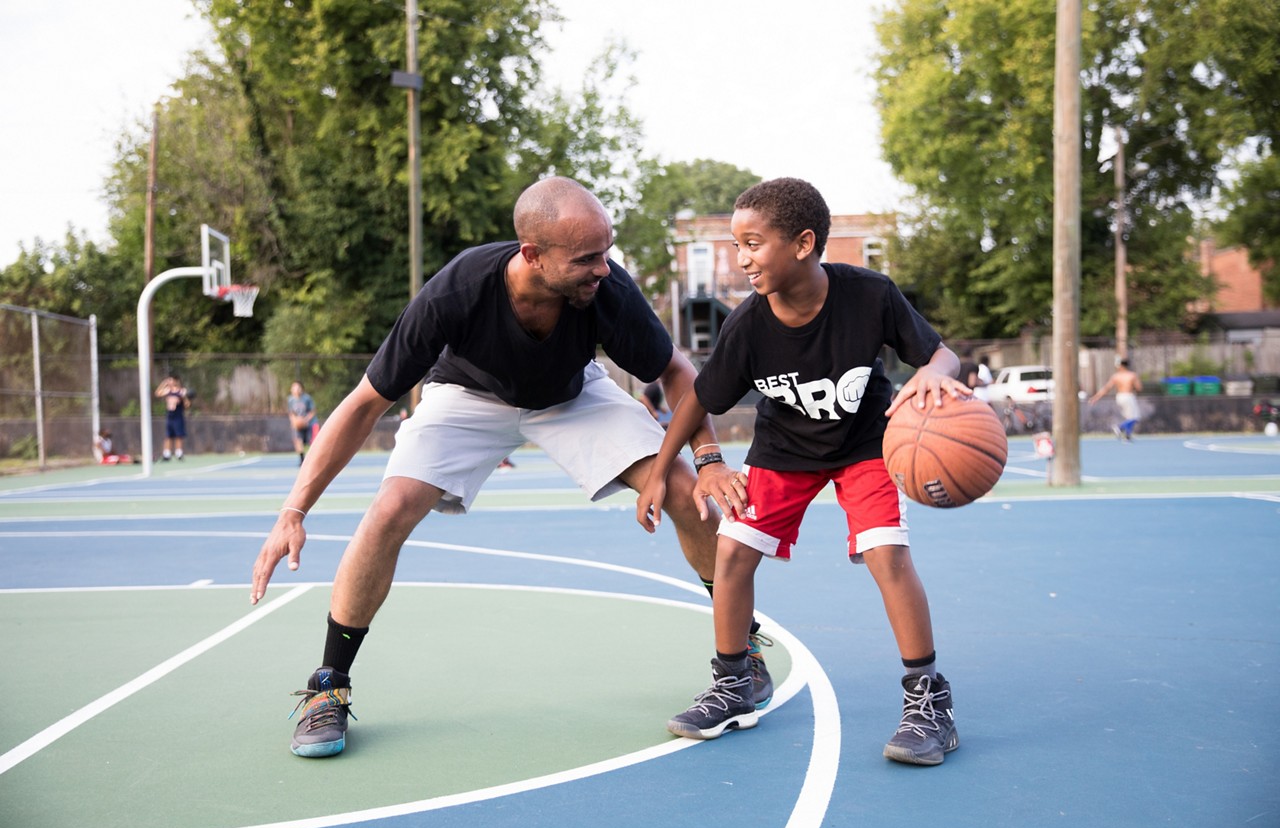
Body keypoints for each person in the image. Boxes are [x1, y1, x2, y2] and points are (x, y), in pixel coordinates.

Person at [250, 176, 768, 758]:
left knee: (680, 489)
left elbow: (675, 369)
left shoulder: (606, 288)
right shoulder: (458, 292)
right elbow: (365, 403)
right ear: (532, 255)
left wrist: (709, 459)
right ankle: (329, 687)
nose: (604, 268)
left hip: (572, 394)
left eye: (607, 251)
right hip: (467, 393)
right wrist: (294, 510)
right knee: (389, 508)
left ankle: (741, 655)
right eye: (587, 258)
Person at [637, 178, 966, 766]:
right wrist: (665, 470)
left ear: (804, 243)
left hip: (865, 443)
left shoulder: (870, 295)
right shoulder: (747, 324)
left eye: (753, 244)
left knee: (885, 553)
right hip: (784, 449)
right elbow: (697, 401)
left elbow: (941, 353)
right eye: (736, 246)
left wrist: (935, 372)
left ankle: (928, 700)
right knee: (734, 551)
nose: (742, 260)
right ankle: (737, 683)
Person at [1090, 359, 1144, 440]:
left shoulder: (1116, 376)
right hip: (1128, 396)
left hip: (1119, 397)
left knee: (1129, 417)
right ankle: (1119, 428)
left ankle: (1127, 435)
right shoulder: (1132, 375)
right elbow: (1139, 388)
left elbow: (1106, 388)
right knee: (1135, 417)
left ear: (1121, 366)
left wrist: (1096, 397)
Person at [154, 375, 189, 461]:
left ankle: (179, 453)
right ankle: (167, 454)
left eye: (171, 380)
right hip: (170, 415)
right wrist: (163, 383)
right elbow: (157, 393)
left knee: (179, 435)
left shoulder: (181, 391)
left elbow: (187, 404)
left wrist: (183, 398)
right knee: (168, 435)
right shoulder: (167, 391)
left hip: (178, 415)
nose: (169, 382)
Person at [286, 381, 320, 464]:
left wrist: (305, 420)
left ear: (301, 389)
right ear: (291, 389)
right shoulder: (290, 400)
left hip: (310, 423)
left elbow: (312, 411)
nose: (296, 390)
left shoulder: (307, 398)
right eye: (294, 388)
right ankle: (302, 459)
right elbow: (291, 413)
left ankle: (313, 459)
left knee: (313, 442)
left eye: (298, 387)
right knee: (298, 440)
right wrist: (294, 421)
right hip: (299, 424)